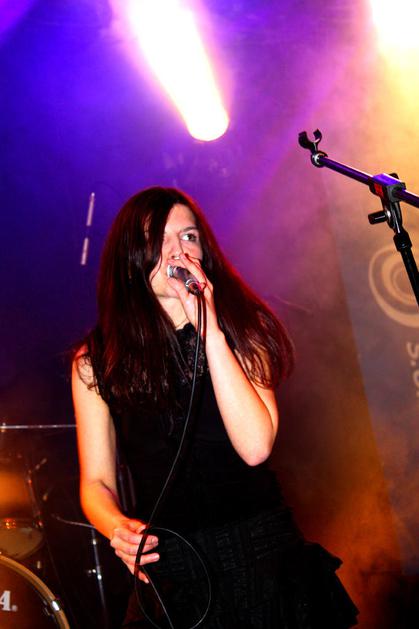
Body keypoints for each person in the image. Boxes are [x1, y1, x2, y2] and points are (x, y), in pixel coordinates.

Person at [72, 186, 359, 628]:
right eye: (159, 239)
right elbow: (95, 482)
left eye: (188, 237)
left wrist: (210, 330)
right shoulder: (96, 361)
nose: (178, 251)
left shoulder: (244, 329)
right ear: (131, 257)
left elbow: (255, 447)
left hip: (260, 554)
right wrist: (115, 526)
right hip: (172, 568)